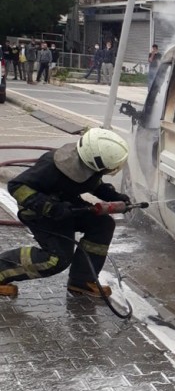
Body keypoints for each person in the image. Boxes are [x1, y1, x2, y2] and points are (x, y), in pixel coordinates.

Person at [0, 128, 131, 299]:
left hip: (67, 207)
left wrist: (115, 197)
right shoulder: (51, 167)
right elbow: (17, 186)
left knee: (102, 224)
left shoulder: (87, 165)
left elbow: (95, 184)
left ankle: (82, 281)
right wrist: (51, 207)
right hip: (41, 213)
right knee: (56, 259)